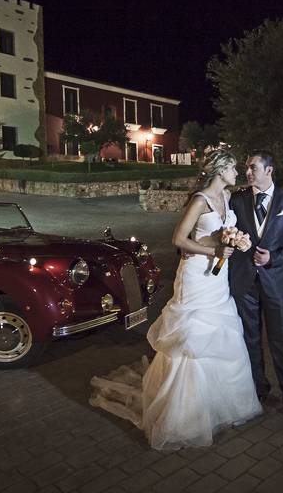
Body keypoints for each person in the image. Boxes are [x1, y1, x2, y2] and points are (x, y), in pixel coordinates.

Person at [90, 147, 262, 450]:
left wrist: (238, 238)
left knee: (220, 333)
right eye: (233, 168)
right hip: (197, 276)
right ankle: (183, 416)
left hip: (218, 280)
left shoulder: (226, 198)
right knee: (192, 337)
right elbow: (178, 240)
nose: (238, 173)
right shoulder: (200, 200)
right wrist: (215, 250)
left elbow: (224, 231)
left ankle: (219, 404)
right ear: (220, 171)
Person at [228, 150, 283, 426]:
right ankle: (259, 392)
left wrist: (273, 258)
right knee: (250, 340)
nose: (248, 172)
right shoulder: (238, 200)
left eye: (253, 167)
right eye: (246, 167)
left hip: (275, 283)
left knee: (281, 341)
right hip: (245, 283)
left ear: (269, 171)